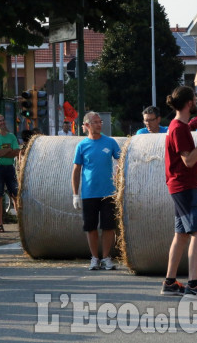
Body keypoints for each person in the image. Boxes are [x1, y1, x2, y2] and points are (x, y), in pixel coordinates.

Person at [161, 86, 197, 300]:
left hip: (178, 186)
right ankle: (193, 285)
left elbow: (189, 126)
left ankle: (170, 282)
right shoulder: (179, 129)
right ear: (188, 104)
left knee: (182, 235)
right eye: (194, 99)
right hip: (184, 187)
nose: (196, 102)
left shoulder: (177, 125)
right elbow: (188, 160)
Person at [71, 111, 121, 271]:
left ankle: (106, 257)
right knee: (91, 227)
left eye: (100, 122)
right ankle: (94, 258)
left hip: (108, 193)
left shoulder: (110, 142)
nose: (99, 124)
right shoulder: (82, 145)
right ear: (86, 125)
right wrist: (75, 194)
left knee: (108, 227)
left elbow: (122, 160)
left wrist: (119, 179)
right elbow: (76, 170)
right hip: (89, 193)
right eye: (95, 122)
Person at [0, 114, 20, 233]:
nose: (1, 123)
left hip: (9, 167)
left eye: (2, 120)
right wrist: (8, 150)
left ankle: (20, 221)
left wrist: (2, 152)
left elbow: (16, 152)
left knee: (15, 194)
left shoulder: (11, 136)